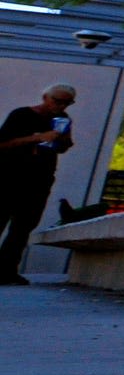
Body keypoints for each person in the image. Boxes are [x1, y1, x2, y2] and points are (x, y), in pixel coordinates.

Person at [0, 84, 78, 284]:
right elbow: (3, 143)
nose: (61, 106)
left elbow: (60, 149)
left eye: (66, 103)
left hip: (39, 179)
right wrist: (36, 138)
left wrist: (63, 141)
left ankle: (6, 270)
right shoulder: (21, 115)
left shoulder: (63, 120)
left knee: (23, 226)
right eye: (57, 101)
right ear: (45, 97)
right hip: (9, 176)